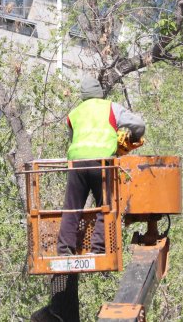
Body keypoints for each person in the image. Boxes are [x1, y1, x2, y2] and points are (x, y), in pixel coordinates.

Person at [56, 76, 145, 255]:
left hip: (77, 165)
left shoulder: (73, 114)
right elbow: (139, 124)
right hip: (102, 163)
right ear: (100, 93)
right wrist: (134, 138)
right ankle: (98, 249)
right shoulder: (110, 108)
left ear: (83, 95)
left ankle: (64, 249)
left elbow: (73, 139)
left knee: (72, 208)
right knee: (106, 205)